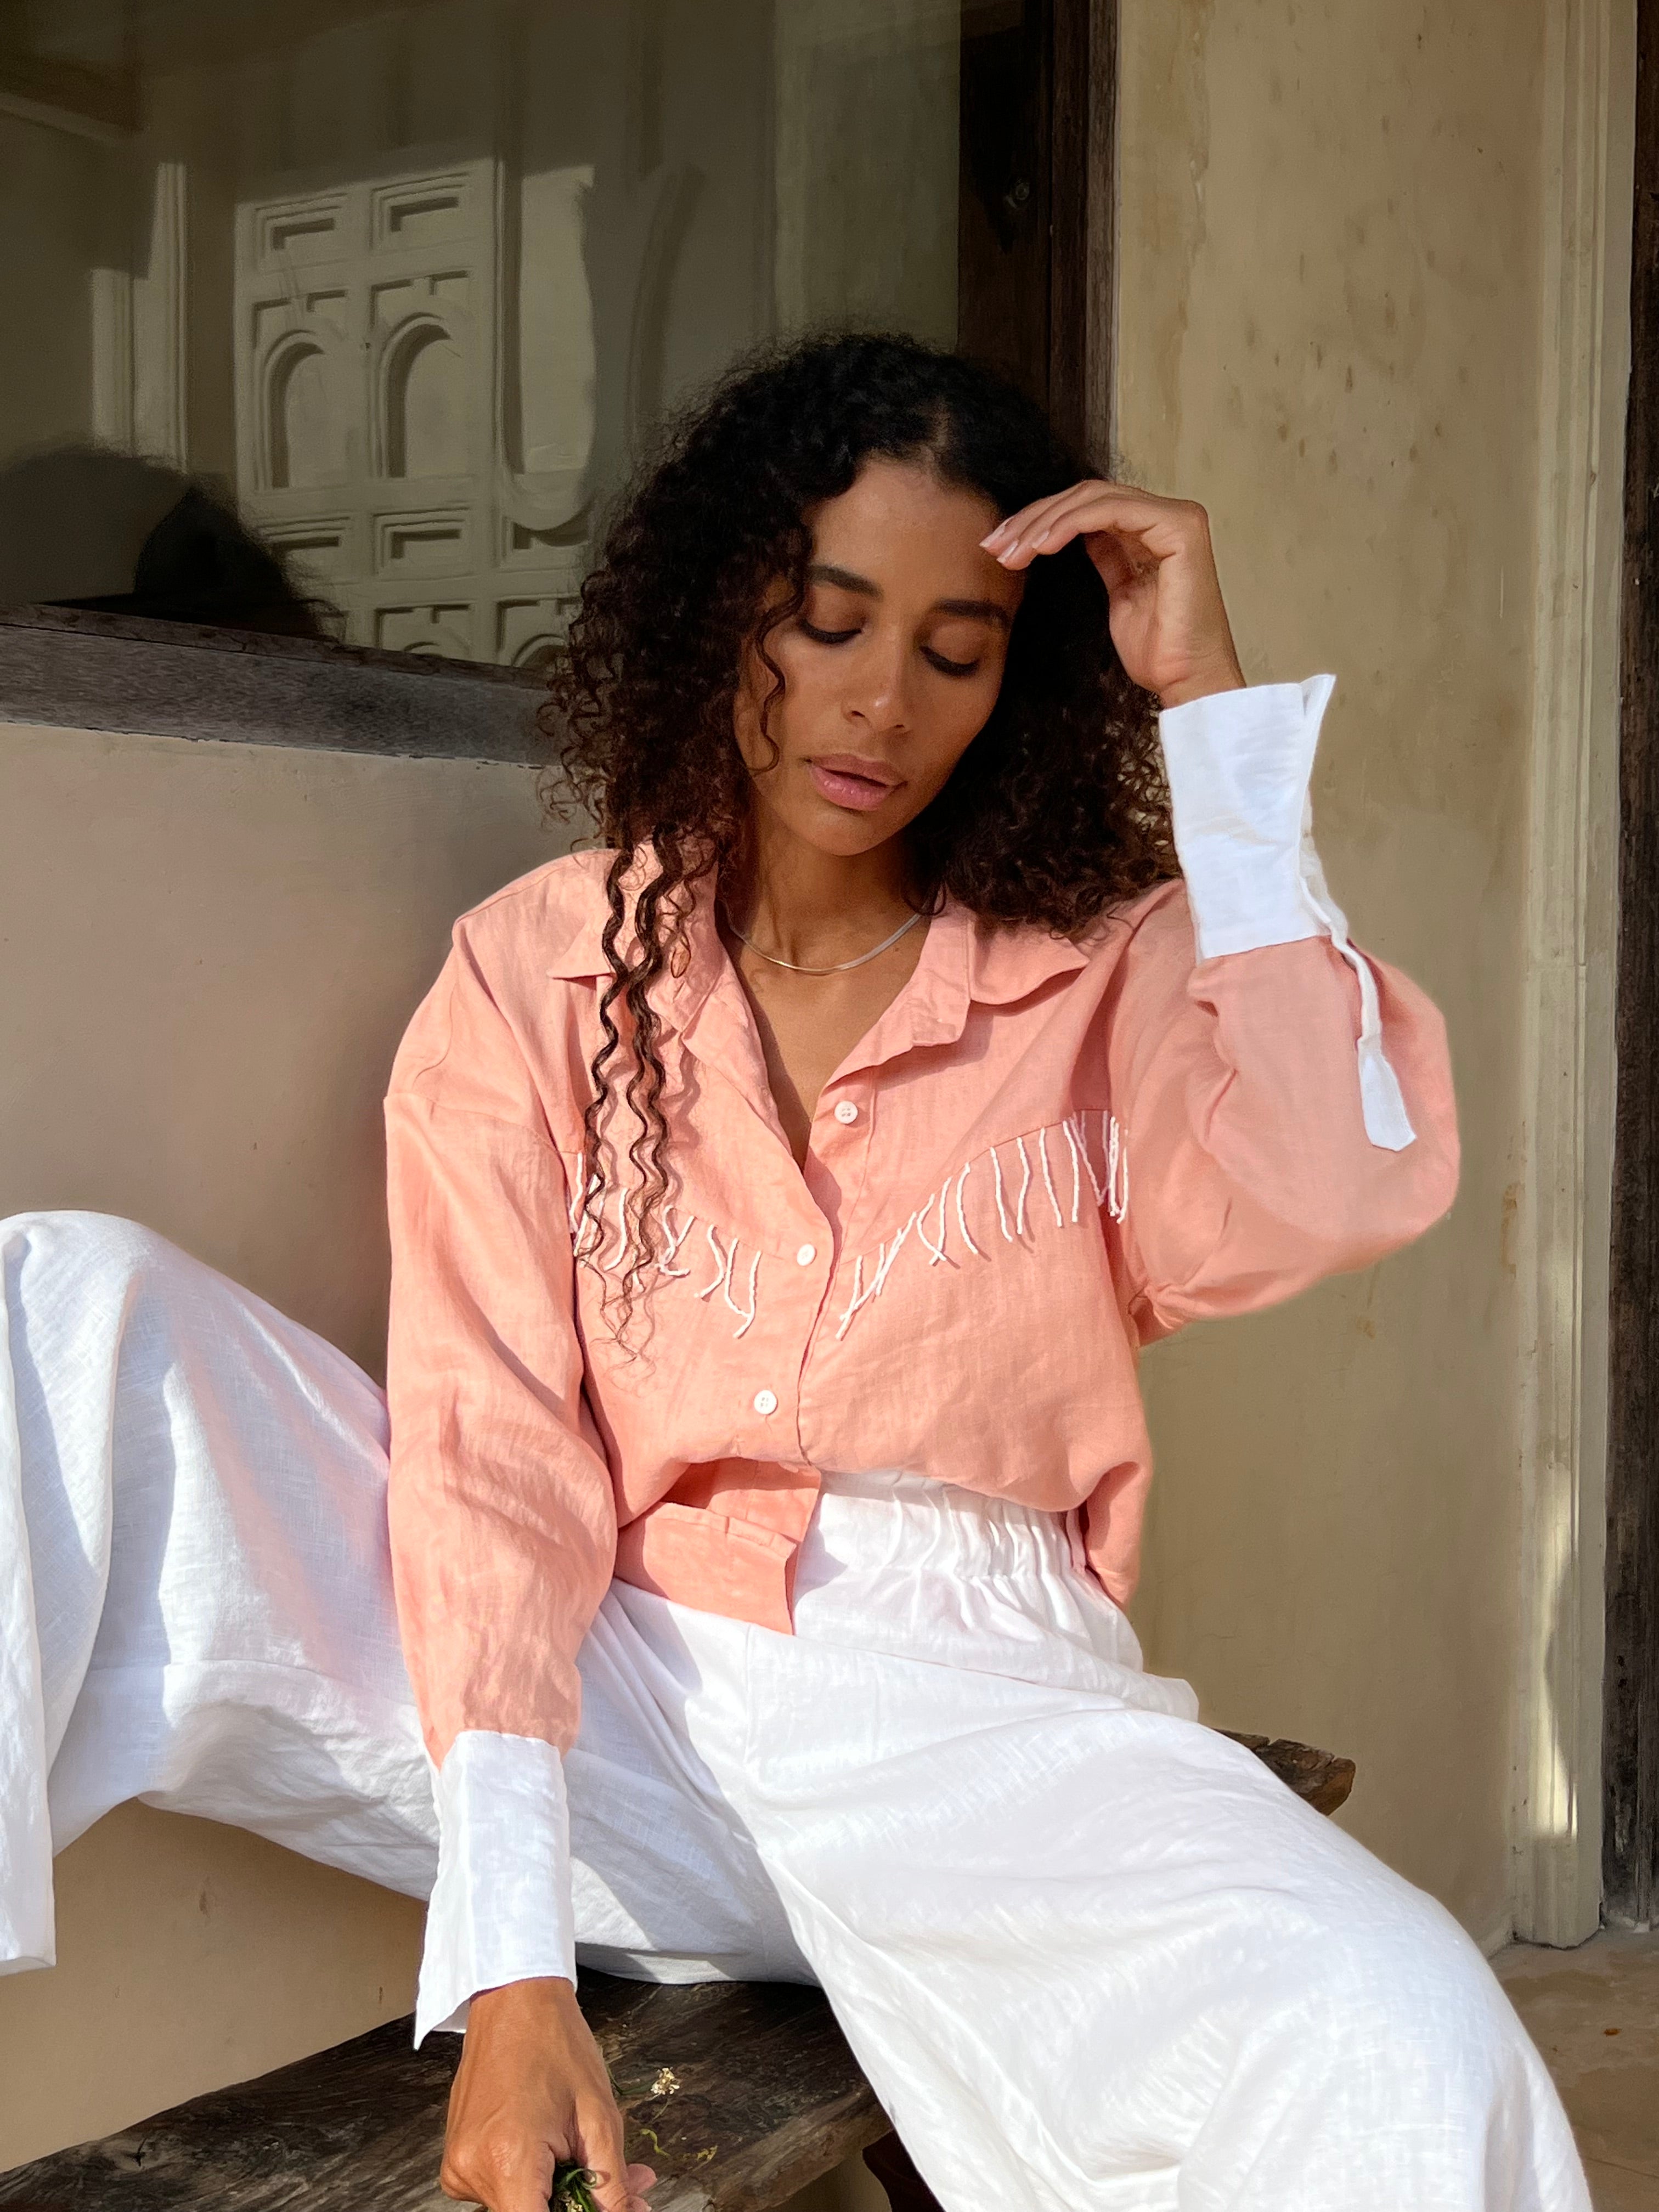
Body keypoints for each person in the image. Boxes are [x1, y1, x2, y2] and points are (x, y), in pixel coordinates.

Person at [0, 335, 1588, 2212]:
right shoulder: (542, 969)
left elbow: (1328, 1186)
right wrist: (512, 1974)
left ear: (1017, 684)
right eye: (824, 622)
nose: (878, 704)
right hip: (620, 1707)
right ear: (720, 609)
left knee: (1407, 2036)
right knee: (70, 1311)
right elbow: (492, 1460)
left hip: (982, 1733)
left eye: (954, 652)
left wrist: (1211, 708)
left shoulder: (1105, 973)